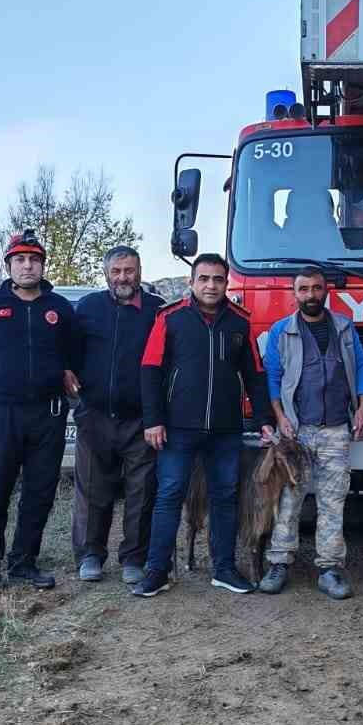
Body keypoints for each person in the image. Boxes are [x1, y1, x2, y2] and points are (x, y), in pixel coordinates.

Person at [133, 253, 275, 597]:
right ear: (191, 282)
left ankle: (224, 569)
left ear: (227, 283)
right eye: (204, 279)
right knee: (169, 496)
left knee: (225, 497)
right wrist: (153, 421)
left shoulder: (240, 322)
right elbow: (150, 370)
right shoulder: (171, 318)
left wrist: (264, 420)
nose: (211, 285)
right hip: (177, 429)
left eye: (218, 279)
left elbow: (255, 375)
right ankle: (156, 571)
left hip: (226, 431)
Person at [0, 230, 78, 599]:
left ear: (42, 265)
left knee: (39, 494)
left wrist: (64, 375)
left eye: (34, 259)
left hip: (49, 414)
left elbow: (73, 356)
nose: (27, 266)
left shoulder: (60, 308)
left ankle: (24, 563)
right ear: (8, 265)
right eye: (20, 260)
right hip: (1, 415)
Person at [258, 267, 363, 599]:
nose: (311, 295)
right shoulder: (282, 331)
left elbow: (362, 367)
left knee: (332, 502)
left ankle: (330, 568)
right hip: (297, 433)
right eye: (303, 289)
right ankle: (279, 563)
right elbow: (273, 379)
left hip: (336, 429)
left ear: (327, 291)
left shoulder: (345, 328)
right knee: (289, 500)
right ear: (295, 293)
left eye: (316, 288)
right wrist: (280, 418)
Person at [66, 246, 165, 584]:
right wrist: (67, 372)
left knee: (141, 492)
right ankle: (91, 554)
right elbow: (67, 347)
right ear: (106, 273)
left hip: (141, 421)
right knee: (93, 490)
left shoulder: (156, 310)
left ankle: (134, 558)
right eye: (117, 271)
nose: (123, 277)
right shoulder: (89, 308)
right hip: (94, 415)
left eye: (130, 270)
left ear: (139, 271)